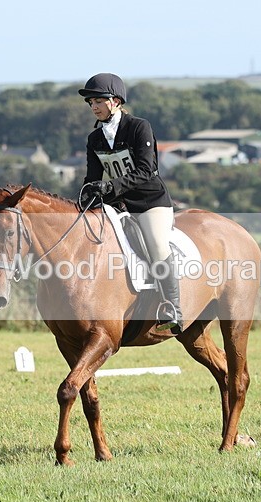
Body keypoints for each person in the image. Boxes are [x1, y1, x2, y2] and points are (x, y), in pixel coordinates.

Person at [77, 73, 183, 334]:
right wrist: (85, 199)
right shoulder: (95, 139)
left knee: (156, 245)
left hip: (149, 202)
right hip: (118, 205)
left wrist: (110, 187)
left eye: (98, 101)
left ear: (115, 101)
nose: (93, 106)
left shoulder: (138, 127)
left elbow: (146, 170)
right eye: (90, 102)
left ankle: (173, 307)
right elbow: (92, 178)